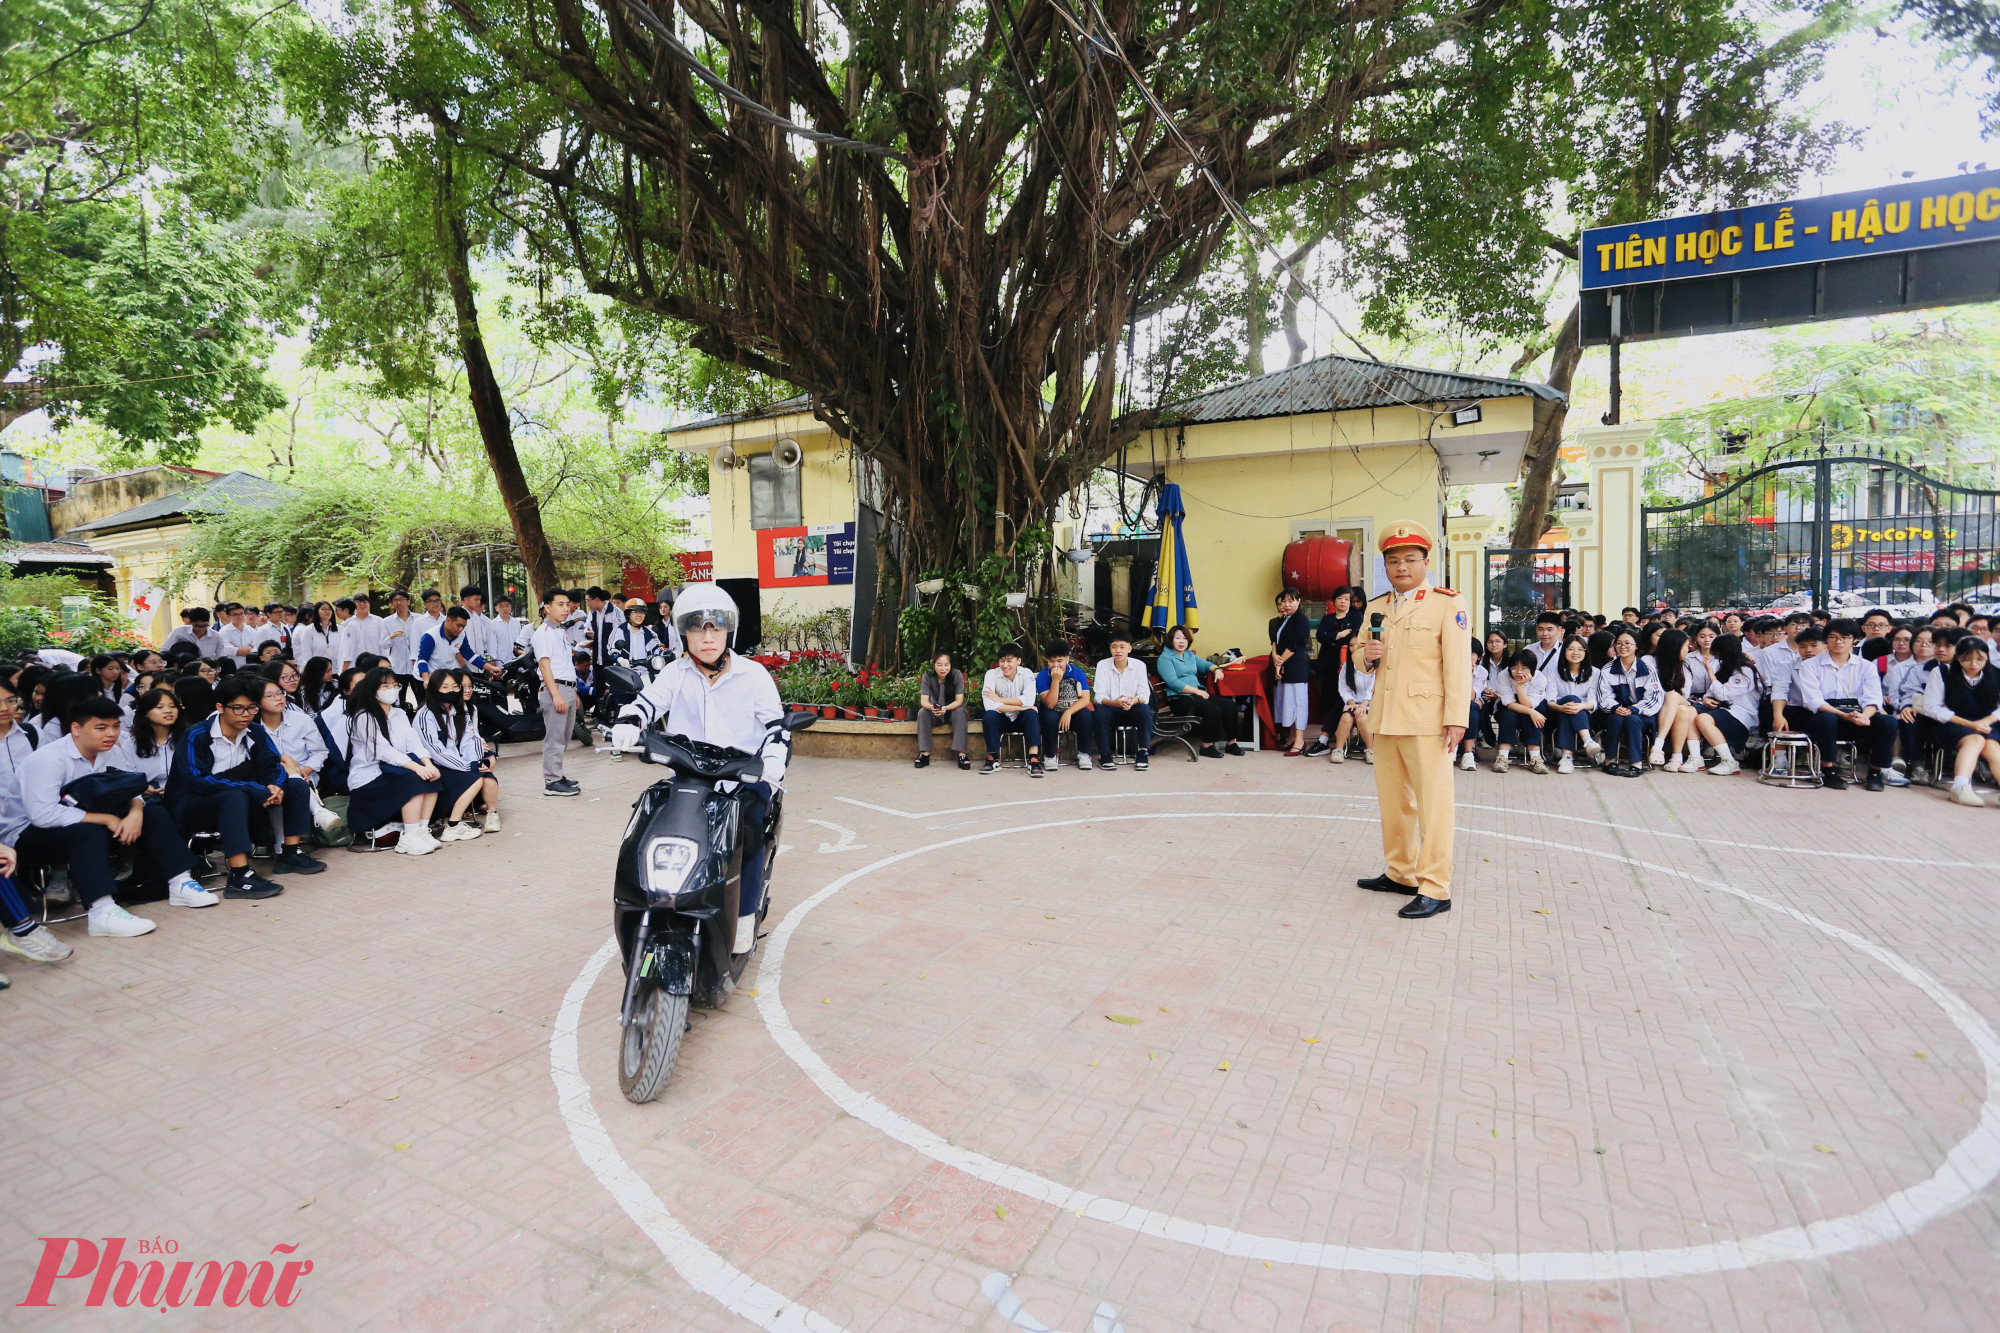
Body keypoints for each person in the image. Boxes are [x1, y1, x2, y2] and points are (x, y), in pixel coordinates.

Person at [613, 582, 787, 954]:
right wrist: (628, 721)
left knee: (749, 834)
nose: (707, 637)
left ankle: (743, 917)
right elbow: (646, 703)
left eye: (715, 627)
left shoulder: (753, 675)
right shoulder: (675, 673)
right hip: (689, 776)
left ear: (729, 630)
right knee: (647, 819)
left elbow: (776, 727)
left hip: (742, 778)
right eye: (696, 627)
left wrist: (772, 763)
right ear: (683, 633)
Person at [17, 695, 212, 931]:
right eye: (101, 728)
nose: (111, 734)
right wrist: (108, 819)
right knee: (86, 832)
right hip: (32, 836)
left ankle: (180, 882)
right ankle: (102, 911)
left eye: (116, 726)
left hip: (95, 824)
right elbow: (43, 814)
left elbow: (131, 789)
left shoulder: (111, 752)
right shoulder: (47, 760)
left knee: (155, 814)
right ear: (76, 728)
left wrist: (136, 813)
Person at [1355, 520, 1468, 920]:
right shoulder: (1376, 607)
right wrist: (1365, 657)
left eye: (1409, 559)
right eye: (1393, 560)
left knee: (1434, 806)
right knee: (1394, 802)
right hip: (1385, 719)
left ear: (1424, 562)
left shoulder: (1446, 602)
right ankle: (1400, 872)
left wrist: (1457, 718)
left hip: (1428, 721)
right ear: (1384, 565)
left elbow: (1457, 666)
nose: (1401, 567)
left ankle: (1436, 887)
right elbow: (1359, 656)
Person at [167, 675, 325, 888]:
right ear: (220, 707)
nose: (246, 715)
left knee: (296, 785)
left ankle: (290, 853)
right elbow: (197, 781)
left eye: (252, 708)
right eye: (238, 708)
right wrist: (252, 788)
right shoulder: (196, 735)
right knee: (234, 796)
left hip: (244, 794)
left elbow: (272, 765)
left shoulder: (255, 731)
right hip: (196, 803)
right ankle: (240, 874)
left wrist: (275, 786)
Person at [0, 676, 74, 967]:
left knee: (83, 828)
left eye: (9, 700)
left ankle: (66, 884)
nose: (5, 708)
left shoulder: (30, 734)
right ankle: (24, 930)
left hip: (31, 821)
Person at [1798, 618, 1906, 791]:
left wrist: (1864, 716)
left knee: (1888, 722)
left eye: (1844, 638)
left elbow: (1873, 698)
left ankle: (1875, 772)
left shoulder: (1866, 666)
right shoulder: (1810, 665)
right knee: (1826, 720)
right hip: (1827, 712)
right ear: (1826, 639)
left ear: (1854, 639)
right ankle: (1829, 770)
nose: (1838, 642)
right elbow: (1813, 700)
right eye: (1833, 637)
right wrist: (1844, 715)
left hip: (1858, 713)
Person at [344, 666, 444, 852]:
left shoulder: (400, 714)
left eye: (395, 685)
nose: (392, 689)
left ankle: (422, 830)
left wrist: (428, 764)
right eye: (385, 686)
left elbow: (413, 742)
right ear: (373, 691)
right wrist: (417, 768)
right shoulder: (364, 717)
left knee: (432, 776)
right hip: (369, 775)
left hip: (395, 768)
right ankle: (410, 835)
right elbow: (384, 751)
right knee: (414, 780)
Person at [1921, 633, 2000, 806]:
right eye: (1966, 659)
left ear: (1987, 657)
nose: (1973, 664)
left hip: (1986, 723)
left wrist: (1985, 722)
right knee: (1975, 740)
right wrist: (1970, 724)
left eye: (1979, 659)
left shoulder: (1996, 674)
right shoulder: (1941, 672)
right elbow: (1931, 707)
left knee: (1991, 745)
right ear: (1957, 658)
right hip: (1951, 723)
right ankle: (1960, 787)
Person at [416, 671, 495, 840]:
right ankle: (453, 825)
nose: (451, 691)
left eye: (454, 687)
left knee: (484, 773)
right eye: (445, 687)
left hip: (456, 763)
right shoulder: (425, 715)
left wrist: (476, 761)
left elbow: (469, 739)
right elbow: (435, 752)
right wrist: (468, 767)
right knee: (475, 777)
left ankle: (471, 817)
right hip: (434, 766)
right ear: (434, 689)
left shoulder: (459, 711)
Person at [1156, 624, 1241, 759]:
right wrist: (1197, 691)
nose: (1182, 641)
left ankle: (1231, 743)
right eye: (1178, 638)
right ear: (1171, 639)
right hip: (1180, 699)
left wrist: (1216, 669)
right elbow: (1173, 682)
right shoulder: (1165, 658)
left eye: (1185, 638)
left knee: (1229, 705)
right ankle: (1207, 746)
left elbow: (1205, 665)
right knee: (1211, 709)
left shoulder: (1189, 654)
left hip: (1196, 695)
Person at [1688, 633, 1760, 777]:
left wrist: (1710, 672)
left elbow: (1723, 694)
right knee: (1690, 711)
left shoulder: (1744, 671)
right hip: (1724, 709)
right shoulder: (1726, 668)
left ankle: (1729, 761)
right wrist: (1707, 699)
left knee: (1703, 719)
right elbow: (1712, 692)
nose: (1717, 657)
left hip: (1742, 714)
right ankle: (1695, 758)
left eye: (1718, 653)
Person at [533, 588, 582, 797]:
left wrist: (574, 692)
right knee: (555, 737)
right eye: (560, 604)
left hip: (567, 687)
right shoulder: (543, 633)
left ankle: (558, 774)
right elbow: (545, 666)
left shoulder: (560, 631)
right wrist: (556, 695)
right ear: (547, 607)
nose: (566, 608)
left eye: (567, 604)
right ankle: (552, 781)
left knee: (564, 736)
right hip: (556, 688)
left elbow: (565, 665)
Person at [1594, 627, 1662, 775]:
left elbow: (1654, 697)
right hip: (1616, 712)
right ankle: (1610, 761)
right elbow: (1604, 696)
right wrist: (1616, 707)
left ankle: (1636, 764)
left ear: (1636, 646)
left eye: (1628, 643)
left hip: (1641, 713)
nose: (1623, 647)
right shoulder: (1608, 669)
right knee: (1616, 720)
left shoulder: (1647, 669)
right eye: (1619, 643)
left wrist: (1634, 709)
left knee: (1632, 720)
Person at [1306, 587, 1361, 756]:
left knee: (1342, 698)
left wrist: (1333, 639)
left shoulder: (1356, 617)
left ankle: (1334, 734)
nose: (1343, 602)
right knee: (1330, 698)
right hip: (1328, 664)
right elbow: (1321, 637)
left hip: (1349, 664)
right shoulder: (1327, 618)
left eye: (1346, 599)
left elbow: (1354, 638)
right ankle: (1332, 733)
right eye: (1340, 598)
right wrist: (1339, 636)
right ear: (1334, 600)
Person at [1092, 629, 1154, 771]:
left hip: (1132, 708)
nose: (1118, 651)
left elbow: (1145, 694)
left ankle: (1143, 752)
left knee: (1144, 710)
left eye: (1122, 647)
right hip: (1111, 708)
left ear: (1129, 649)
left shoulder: (1139, 666)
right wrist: (1115, 703)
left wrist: (1135, 700)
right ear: (1110, 649)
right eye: (1114, 647)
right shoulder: (1103, 665)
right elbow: (1099, 696)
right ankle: (1105, 754)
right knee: (1099, 712)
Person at [980, 644, 1044, 777]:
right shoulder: (991, 675)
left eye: (1009, 660)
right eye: (1002, 661)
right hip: (1001, 717)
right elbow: (990, 705)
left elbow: (1029, 700)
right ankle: (992, 758)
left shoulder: (1026, 674)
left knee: (1032, 714)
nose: (1005, 665)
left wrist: (999, 699)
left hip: (1021, 718)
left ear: (1018, 661)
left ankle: (1033, 760)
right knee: (989, 716)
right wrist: (1019, 706)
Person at [1035, 641, 1096, 768]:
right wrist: (1055, 680)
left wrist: (1068, 712)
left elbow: (1085, 699)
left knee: (1086, 715)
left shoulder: (1077, 672)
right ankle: (1050, 756)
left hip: (1072, 712)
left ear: (1067, 660)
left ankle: (1084, 753)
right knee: (1049, 717)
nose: (1056, 665)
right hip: (1053, 712)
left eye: (1059, 661)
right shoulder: (1043, 676)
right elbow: (1050, 704)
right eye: (1052, 661)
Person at [1547, 636, 1601, 773]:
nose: (1575, 653)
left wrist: (1580, 706)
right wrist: (1561, 707)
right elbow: (1550, 701)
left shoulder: (1595, 672)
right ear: (1564, 651)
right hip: (1557, 712)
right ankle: (1587, 741)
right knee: (1570, 701)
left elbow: (1593, 702)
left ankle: (1566, 757)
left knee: (1572, 708)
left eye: (1580, 649)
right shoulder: (1554, 672)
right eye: (1570, 649)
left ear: (1586, 652)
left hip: (1585, 714)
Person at [113, 688, 182, 793]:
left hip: (181, 793)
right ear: (146, 712)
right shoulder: (132, 743)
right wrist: (142, 788)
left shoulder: (186, 738)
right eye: (159, 707)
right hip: (147, 797)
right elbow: (128, 776)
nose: (168, 711)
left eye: (172, 706)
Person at [1269, 587, 1312, 755]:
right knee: (1288, 703)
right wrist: (1275, 658)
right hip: (1284, 665)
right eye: (1284, 601)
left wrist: (1280, 660)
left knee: (1298, 703)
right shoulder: (1284, 619)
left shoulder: (1301, 619)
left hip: (1296, 667)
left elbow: (1296, 643)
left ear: (1298, 601)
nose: (1287, 604)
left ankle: (1300, 740)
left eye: (1290, 601)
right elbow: (1275, 640)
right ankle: (1293, 736)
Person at [1492, 650, 1549, 774]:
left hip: (1530, 705)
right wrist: (1519, 686)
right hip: (1508, 707)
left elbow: (1528, 704)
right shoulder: (1503, 675)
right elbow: (1509, 703)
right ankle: (1502, 758)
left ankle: (1535, 758)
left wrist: (1520, 687)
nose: (1518, 672)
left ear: (1532, 669)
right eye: (1514, 668)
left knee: (1531, 717)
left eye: (1524, 668)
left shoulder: (1540, 679)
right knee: (1508, 716)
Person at [915, 652, 970, 770]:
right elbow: (924, 701)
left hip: (952, 710)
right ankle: (924, 753)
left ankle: (962, 754)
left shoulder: (956, 675)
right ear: (934, 665)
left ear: (950, 665)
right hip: (935, 710)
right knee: (922, 713)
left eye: (946, 665)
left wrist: (946, 708)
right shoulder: (928, 676)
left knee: (961, 712)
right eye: (939, 665)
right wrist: (933, 708)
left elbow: (959, 700)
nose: (943, 668)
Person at [1327, 650, 1373, 763]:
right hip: (1353, 703)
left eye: (1358, 645)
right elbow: (1343, 688)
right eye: (1351, 645)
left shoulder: (1375, 664)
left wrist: (1364, 704)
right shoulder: (1348, 665)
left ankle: (1371, 750)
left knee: (1362, 718)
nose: (1354, 648)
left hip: (1371, 703)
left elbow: (1374, 687)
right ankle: (1339, 750)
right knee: (1346, 717)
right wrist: (1351, 703)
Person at [339, 591, 389, 671]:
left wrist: (384, 661)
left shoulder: (379, 621)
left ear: (369, 604)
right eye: (358, 602)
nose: (362, 604)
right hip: (355, 664)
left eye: (365, 602)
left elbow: (383, 644)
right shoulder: (349, 623)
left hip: (375, 663)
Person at [162, 607, 228, 660]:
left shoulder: (216, 636)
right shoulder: (179, 632)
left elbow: (221, 656)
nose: (201, 629)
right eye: (197, 626)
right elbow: (165, 650)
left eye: (204, 626)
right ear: (190, 622)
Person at [292, 602, 342, 667]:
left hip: (337, 669)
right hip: (318, 670)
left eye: (329, 609)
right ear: (316, 611)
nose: (327, 611)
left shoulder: (339, 629)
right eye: (323, 609)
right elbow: (306, 653)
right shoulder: (309, 630)